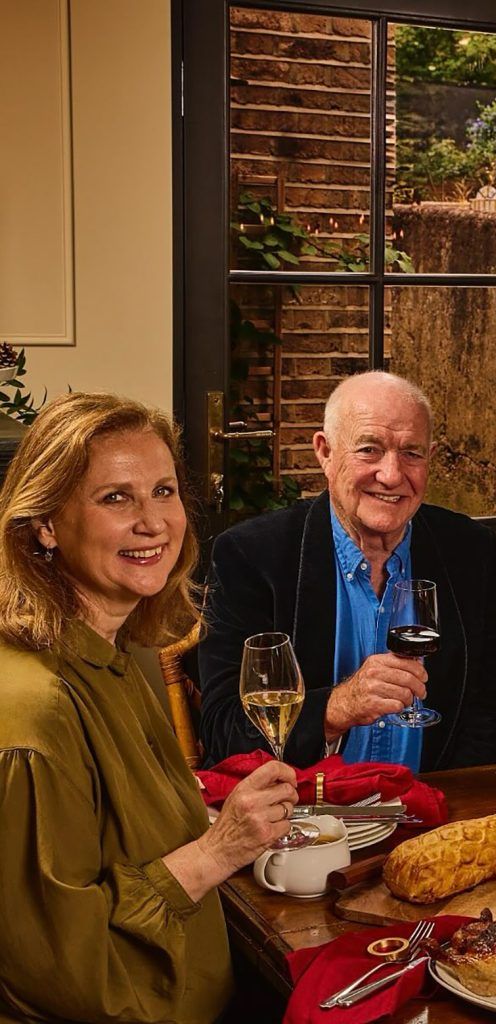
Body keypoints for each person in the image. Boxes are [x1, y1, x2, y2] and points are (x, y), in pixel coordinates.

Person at [0, 392, 298, 1023]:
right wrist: (220, 848)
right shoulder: (35, 710)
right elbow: (67, 972)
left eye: (164, 491)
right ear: (45, 525)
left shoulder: (119, 650)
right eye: (115, 498)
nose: (154, 522)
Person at [200, 371, 496, 772]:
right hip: (302, 818)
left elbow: (491, 717)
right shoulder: (252, 556)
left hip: (431, 812)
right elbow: (222, 730)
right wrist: (336, 707)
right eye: (369, 450)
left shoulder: (470, 550)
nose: (391, 474)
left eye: (412, 453)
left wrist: (449, 812)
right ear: (325, 453)